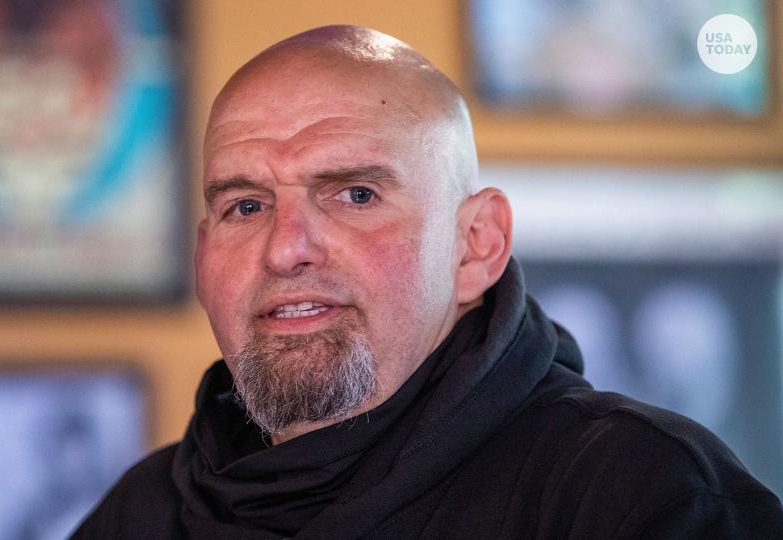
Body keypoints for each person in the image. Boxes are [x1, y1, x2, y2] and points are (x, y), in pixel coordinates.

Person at [74, 25, 783, 538]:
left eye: (354, 195)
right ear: (202, 258)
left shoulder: (635, 496)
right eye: (246, 206)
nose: (285, 249)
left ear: (477, 245)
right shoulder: (143, 512)